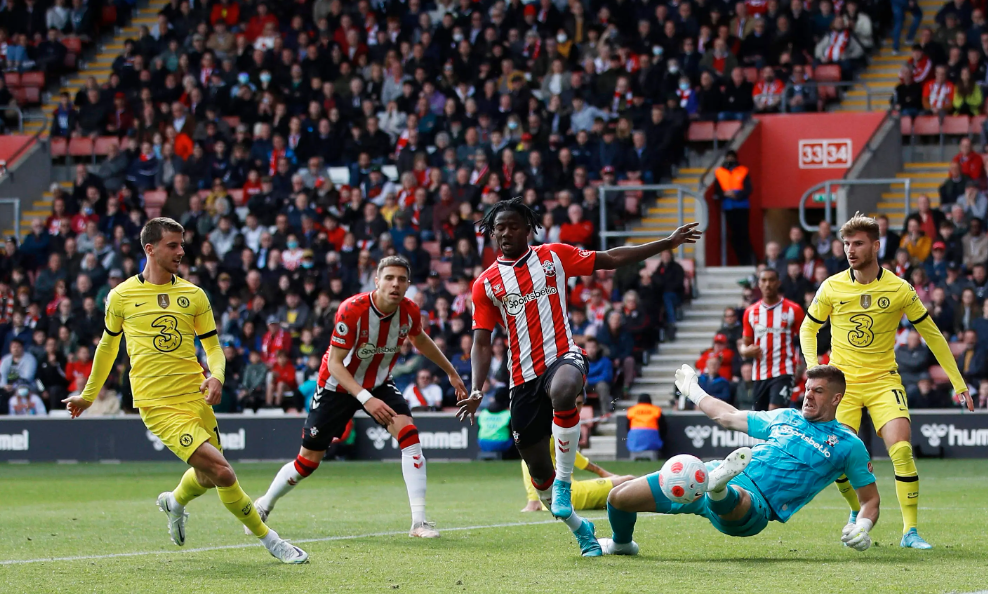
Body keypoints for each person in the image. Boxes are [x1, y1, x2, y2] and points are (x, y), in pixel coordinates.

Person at [458, 196, 701, 556]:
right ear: (491, 234)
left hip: (563, 356)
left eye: (513, 226)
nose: (505, 232)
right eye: (499, 228)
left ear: (528, 229)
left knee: (565, 388)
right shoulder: (486, 284)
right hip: (521, 377)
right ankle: (580, 526)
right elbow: (481, 342)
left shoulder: (553, 256)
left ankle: (566, 483)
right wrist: (477, 388)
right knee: (538, 473)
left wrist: (667, 242)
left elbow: (612, 259)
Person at [61, 218, 307, 564]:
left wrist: (217, 376)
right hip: (156, 403)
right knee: (223, 472)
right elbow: (106, 348)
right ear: (150, 249)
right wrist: (88, 395)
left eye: (182, 244)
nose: (181, 251)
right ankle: (272, 541)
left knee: (208, 478)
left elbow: (214, 347)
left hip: (195, 394)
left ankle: (174, 502)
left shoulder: (194, 295)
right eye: (173, 245)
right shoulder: (120, 296)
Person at [251, 256, 467, 539]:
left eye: (402, 279)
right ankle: (264, 504)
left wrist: (451, 372)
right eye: (389, 278)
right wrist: (366, 398)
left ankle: (419, 522)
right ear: (377, 281)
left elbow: (420, 339)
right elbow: (335, 365)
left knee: (410, 436)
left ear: (408, 285)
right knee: (308, 462)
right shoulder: (352, 309)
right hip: (336, 386)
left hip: (378, 383)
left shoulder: (410, 310)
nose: (395, 284)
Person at [800, 214, 973, 550]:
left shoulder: (898, 288)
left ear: (876, 246)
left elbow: (932, 335)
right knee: (836, 458)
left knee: (902, 450)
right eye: (847, 244)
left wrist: (958, 383)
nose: (850, 250)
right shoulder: (832, 286)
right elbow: (809, 328)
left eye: (858, 243)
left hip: (883, 380)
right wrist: (814, 369)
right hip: (841, 385)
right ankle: (857, 511)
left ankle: (910, 532)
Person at [598, 364, 880, 556]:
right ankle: (622, 544)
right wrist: (694, 391)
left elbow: (870, 500)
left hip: (756, 506)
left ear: (836, 398)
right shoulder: (786, 416)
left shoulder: (848, 445)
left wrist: (863, 526)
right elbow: (729, 417)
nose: (808, 395)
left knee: (737, 498)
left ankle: (720, 487)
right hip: (704, 475)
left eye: (818, 391)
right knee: (618, 497)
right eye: (807, 388)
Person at [522, 392, 635, 512]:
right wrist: (532, 499)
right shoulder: (551, 428)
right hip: (570, 495)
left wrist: (602, 473)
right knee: (629, 480)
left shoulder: (559, 425)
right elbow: (528, 459)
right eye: (572, 403)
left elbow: (572, 455)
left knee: (619, 496)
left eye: (579, 403)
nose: (575, 408)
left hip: (558, 498)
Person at [740, 268, 805, 410]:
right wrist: (745, 352)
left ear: (778, 283)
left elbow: (806, 338)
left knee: (775, 413)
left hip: (784, 371)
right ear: (759, 284)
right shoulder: (750, 312)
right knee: (760, 421)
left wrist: (804, 365)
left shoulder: (793, 309)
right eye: (764, 280)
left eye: (771, 280)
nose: (767, 284)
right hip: (759, 373)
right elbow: (745, 344)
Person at [712, 151, 753, 265]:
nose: (730, 159)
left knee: (743, 234)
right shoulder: (719, 172)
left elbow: (748, 189)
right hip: (728, 207)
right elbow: (717, 190)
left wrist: (736, 195)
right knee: (733, 236)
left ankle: (747, 260)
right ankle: (742, 260)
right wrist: (725, 194)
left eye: (732, 157)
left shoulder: (743, 170)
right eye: (728, 157)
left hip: (742, 206)